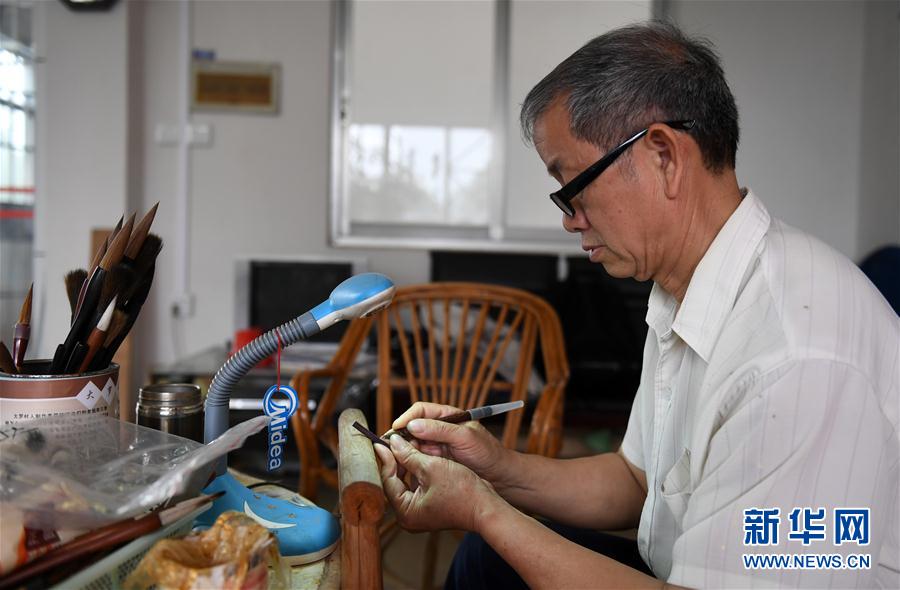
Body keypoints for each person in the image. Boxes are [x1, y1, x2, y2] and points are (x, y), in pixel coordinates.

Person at [373, 21, 900, 589]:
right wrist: (495, 469)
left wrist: (483, 510)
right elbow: (637, 480)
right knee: (489, 561)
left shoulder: (796, 361)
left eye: (572, 186)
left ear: (663, 157)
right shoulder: (685, 288)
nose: (570, 219)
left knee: (494, 545)